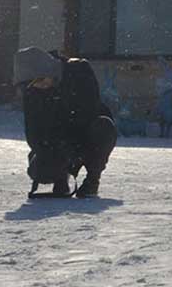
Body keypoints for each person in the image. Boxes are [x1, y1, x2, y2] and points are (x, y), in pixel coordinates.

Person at [14, 47, 117, 198]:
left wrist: (70, 147)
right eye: (32, 84)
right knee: (42, 171)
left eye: (40, 80)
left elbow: (89, 110)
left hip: (87, 134)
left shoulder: (79, 71)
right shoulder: (33, 92)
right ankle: (60, 179)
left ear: (49, 70)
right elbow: (33, 130)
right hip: (56, 141)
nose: (39, 86)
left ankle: (92, 180)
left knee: (103, 128)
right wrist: (47, 154)